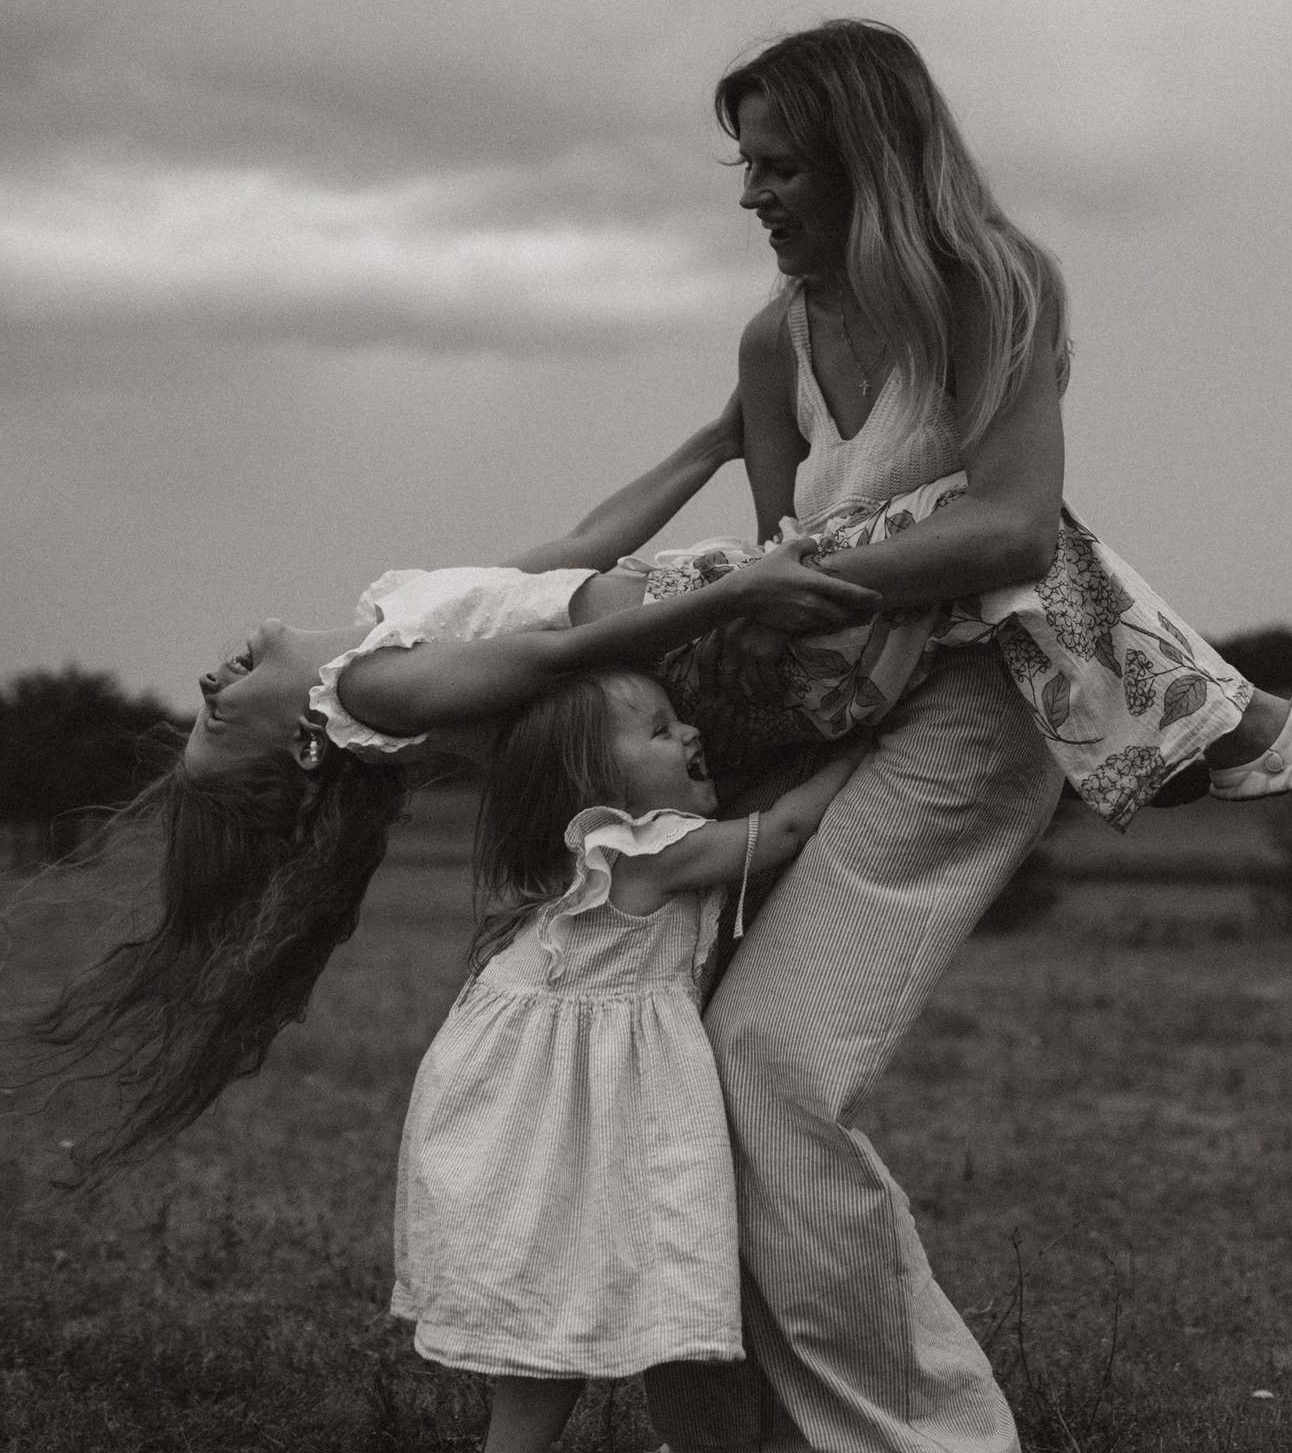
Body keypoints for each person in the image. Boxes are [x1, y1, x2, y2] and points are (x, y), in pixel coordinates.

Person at [621, 20, 1292, 1453]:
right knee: (663, 1037)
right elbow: (793, 591)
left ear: (866, 158)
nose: (753, 195)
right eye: (745, 166)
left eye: (781, 166)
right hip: (845, 702)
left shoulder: (993, 292)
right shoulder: (774, 345)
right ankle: (739, 1438)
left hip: (982, 709)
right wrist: (782, 611)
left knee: (773, 1055)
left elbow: (1011, 530)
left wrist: (819, 571)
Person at [34, 410, 884, 1175]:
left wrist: (713, 443)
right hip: (718, 616)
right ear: (306, 743)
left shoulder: (388, 621)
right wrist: (738, 593)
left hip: (709, 598)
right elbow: (560, 653)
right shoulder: (372, 691)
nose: (206, 685)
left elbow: (579, 548)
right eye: (218, 719)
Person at [399, 668, 865, 1453]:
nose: (689, 733)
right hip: (550, 1114)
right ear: (593, 782)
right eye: (657, 730)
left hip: (538, 1102)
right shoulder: (642, 850)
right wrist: (861, 750)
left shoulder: (596, 857)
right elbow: (787, 830)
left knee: (558, 1292)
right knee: (558, 1294)